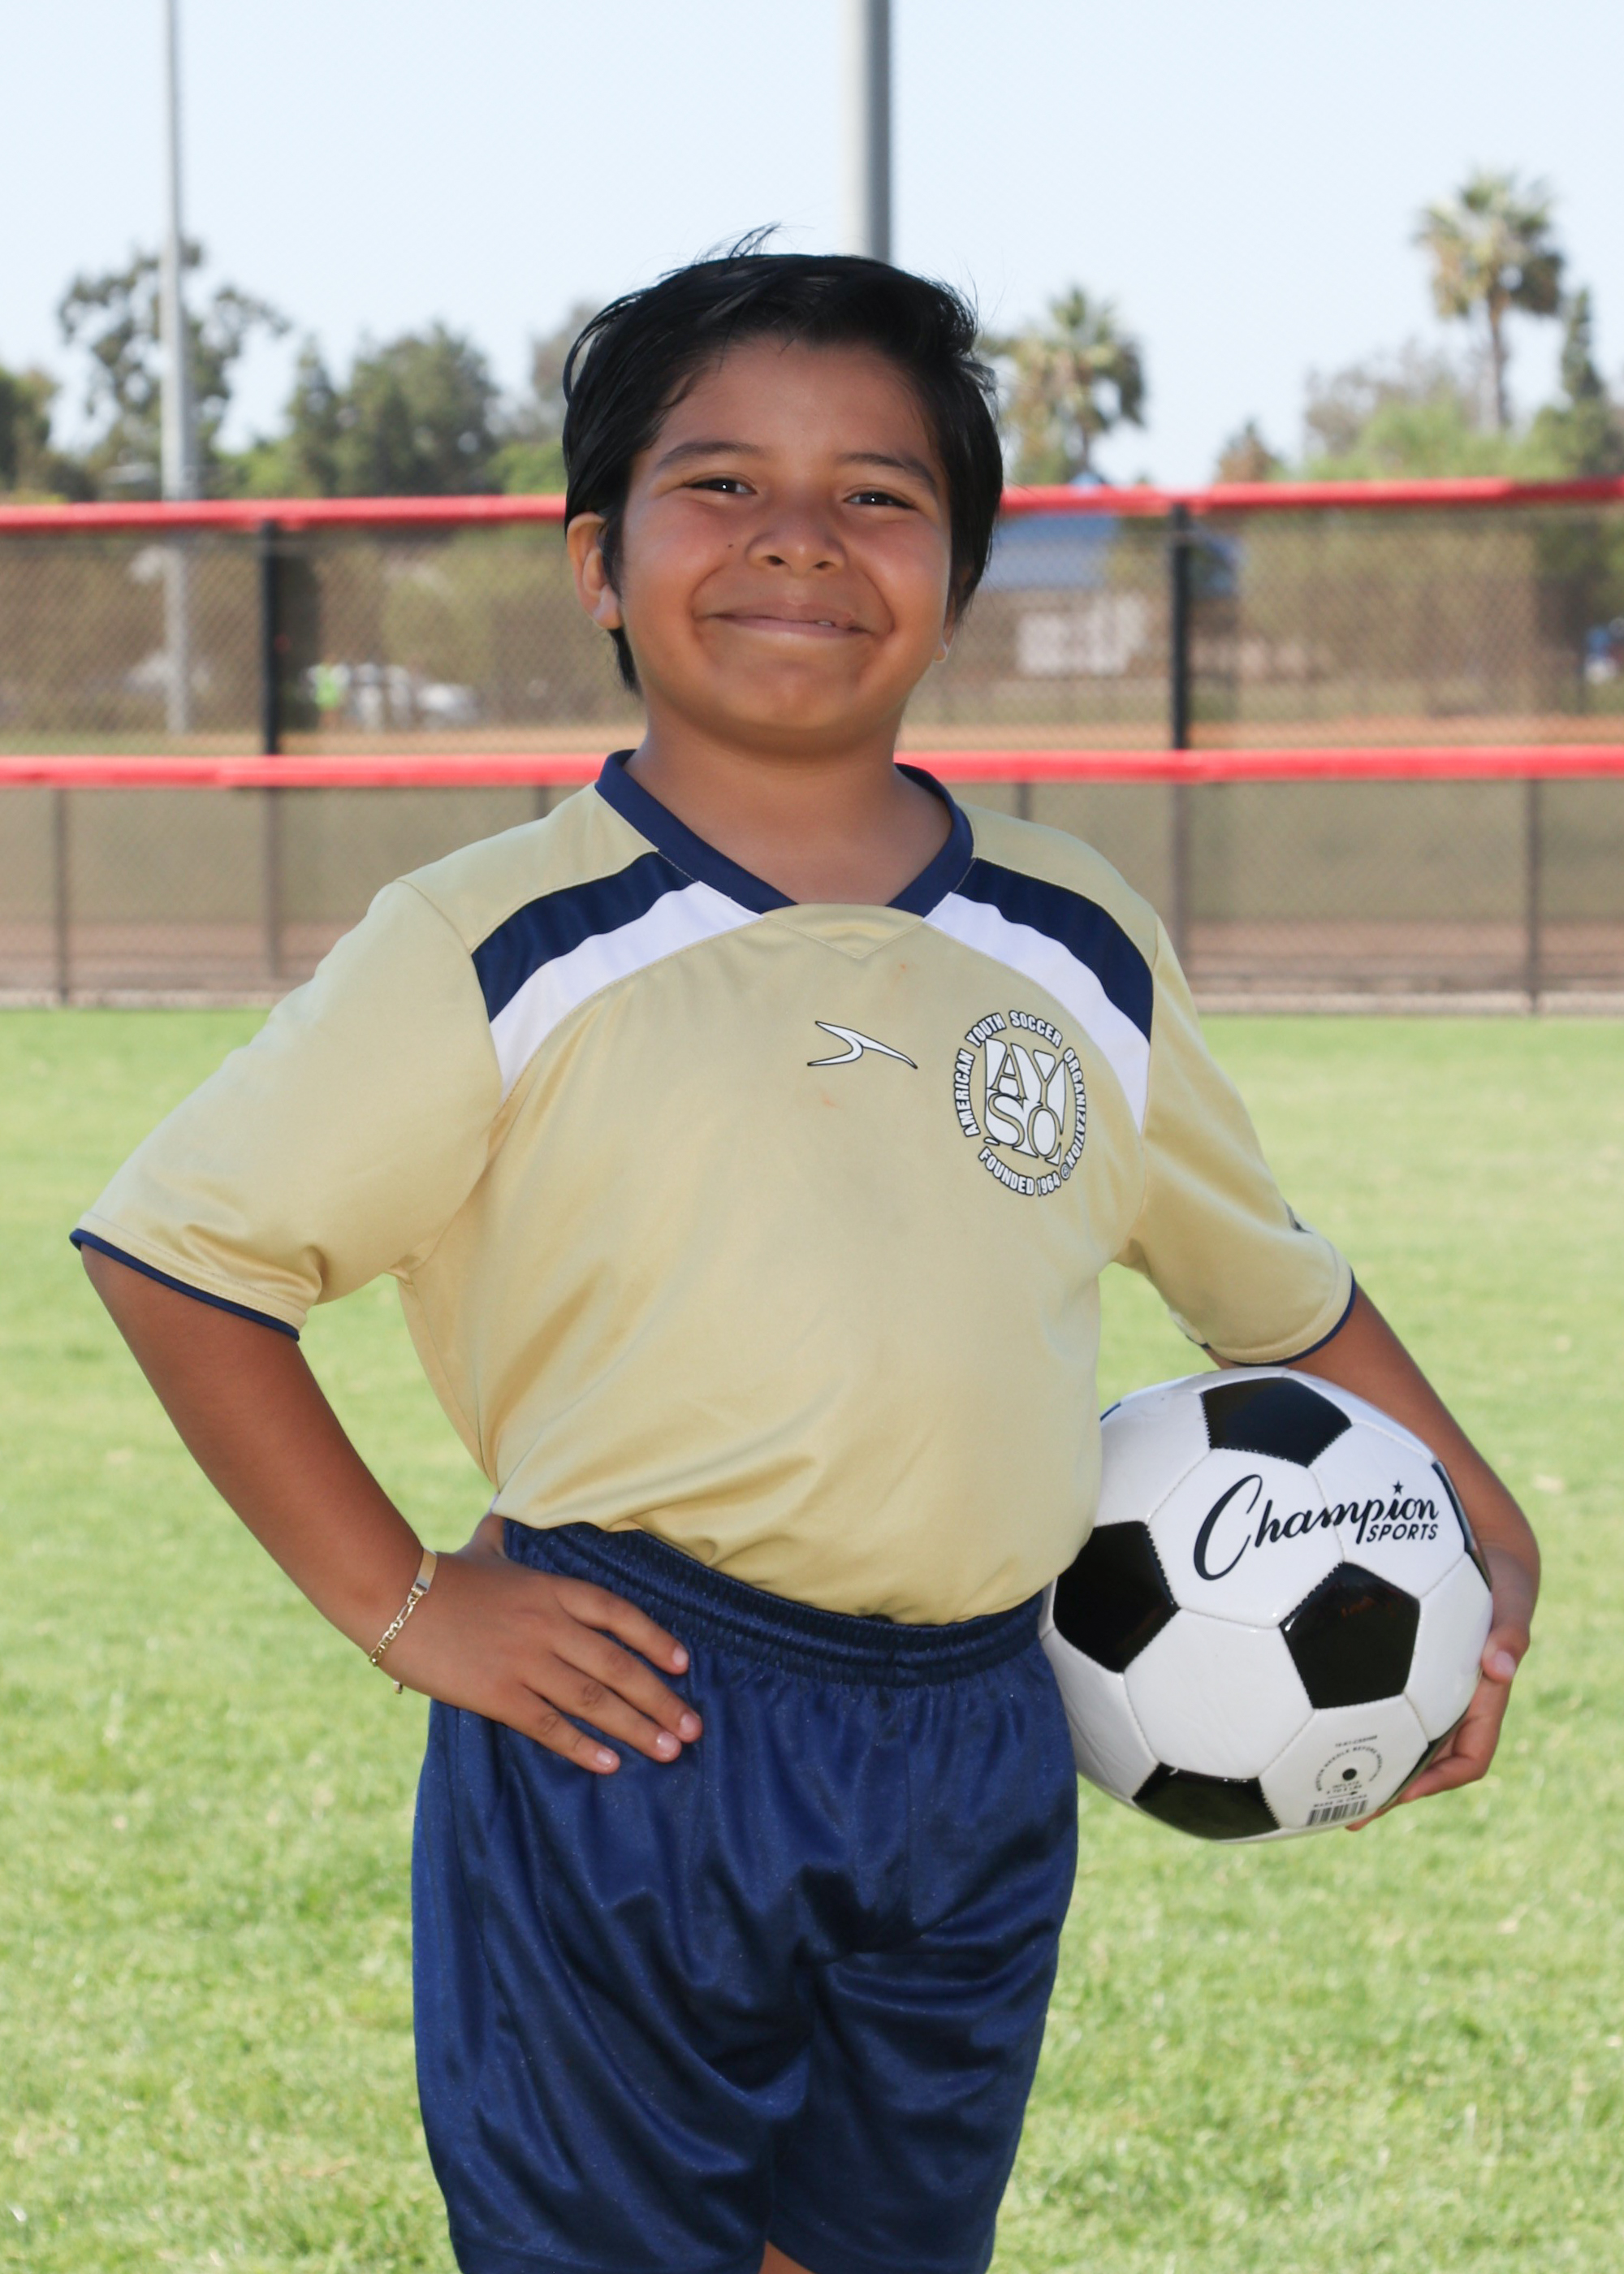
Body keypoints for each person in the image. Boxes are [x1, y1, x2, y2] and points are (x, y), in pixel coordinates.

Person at [75, 250, 1540, 2274]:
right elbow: (180, 1255)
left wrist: (1475, 1511)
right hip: (635, 1715)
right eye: (720, 484)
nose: (797, 539)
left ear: (955, 571)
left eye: (874, 493)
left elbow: (1266, 1287)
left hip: (979, 1727)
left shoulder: (1073, 937)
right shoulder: (495, 939)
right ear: (597, 561)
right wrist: (407, 1601)